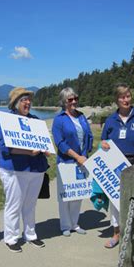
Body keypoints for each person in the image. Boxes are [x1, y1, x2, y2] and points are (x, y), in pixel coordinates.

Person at [100, 84, 134, 248]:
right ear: (116, 100)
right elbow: (104, 140)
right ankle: (117, 233)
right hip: (116, 164)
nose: (126, 99)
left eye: (128, 96)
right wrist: (103, 144)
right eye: (122, 97)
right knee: (115, 201)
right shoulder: (111, 120)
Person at [0, 87, 49, 252]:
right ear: (15, 103)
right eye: (23, 99)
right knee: (14, 204)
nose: (27, 102)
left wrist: (46, 149)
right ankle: (11, 238)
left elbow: (42, 142)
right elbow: (5, 148)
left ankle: (30, 234)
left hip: (35, 169)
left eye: (28, 99)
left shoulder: (34, 120)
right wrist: (29, 151)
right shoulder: (7, 121)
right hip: (14, 169)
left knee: (30, 204)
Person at [52, 87, 93, 236]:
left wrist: (85, 155)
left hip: (82, 160)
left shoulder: (81, 116)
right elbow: (60, 143)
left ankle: (75, 224)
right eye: (70, 99)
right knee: (66, 196)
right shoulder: (59, 119)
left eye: (76, 98)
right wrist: (77, 156)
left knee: (78, 194)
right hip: (66, 161)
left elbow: (88, 136)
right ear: (64, 102)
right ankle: (65, 226)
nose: (74, 101)